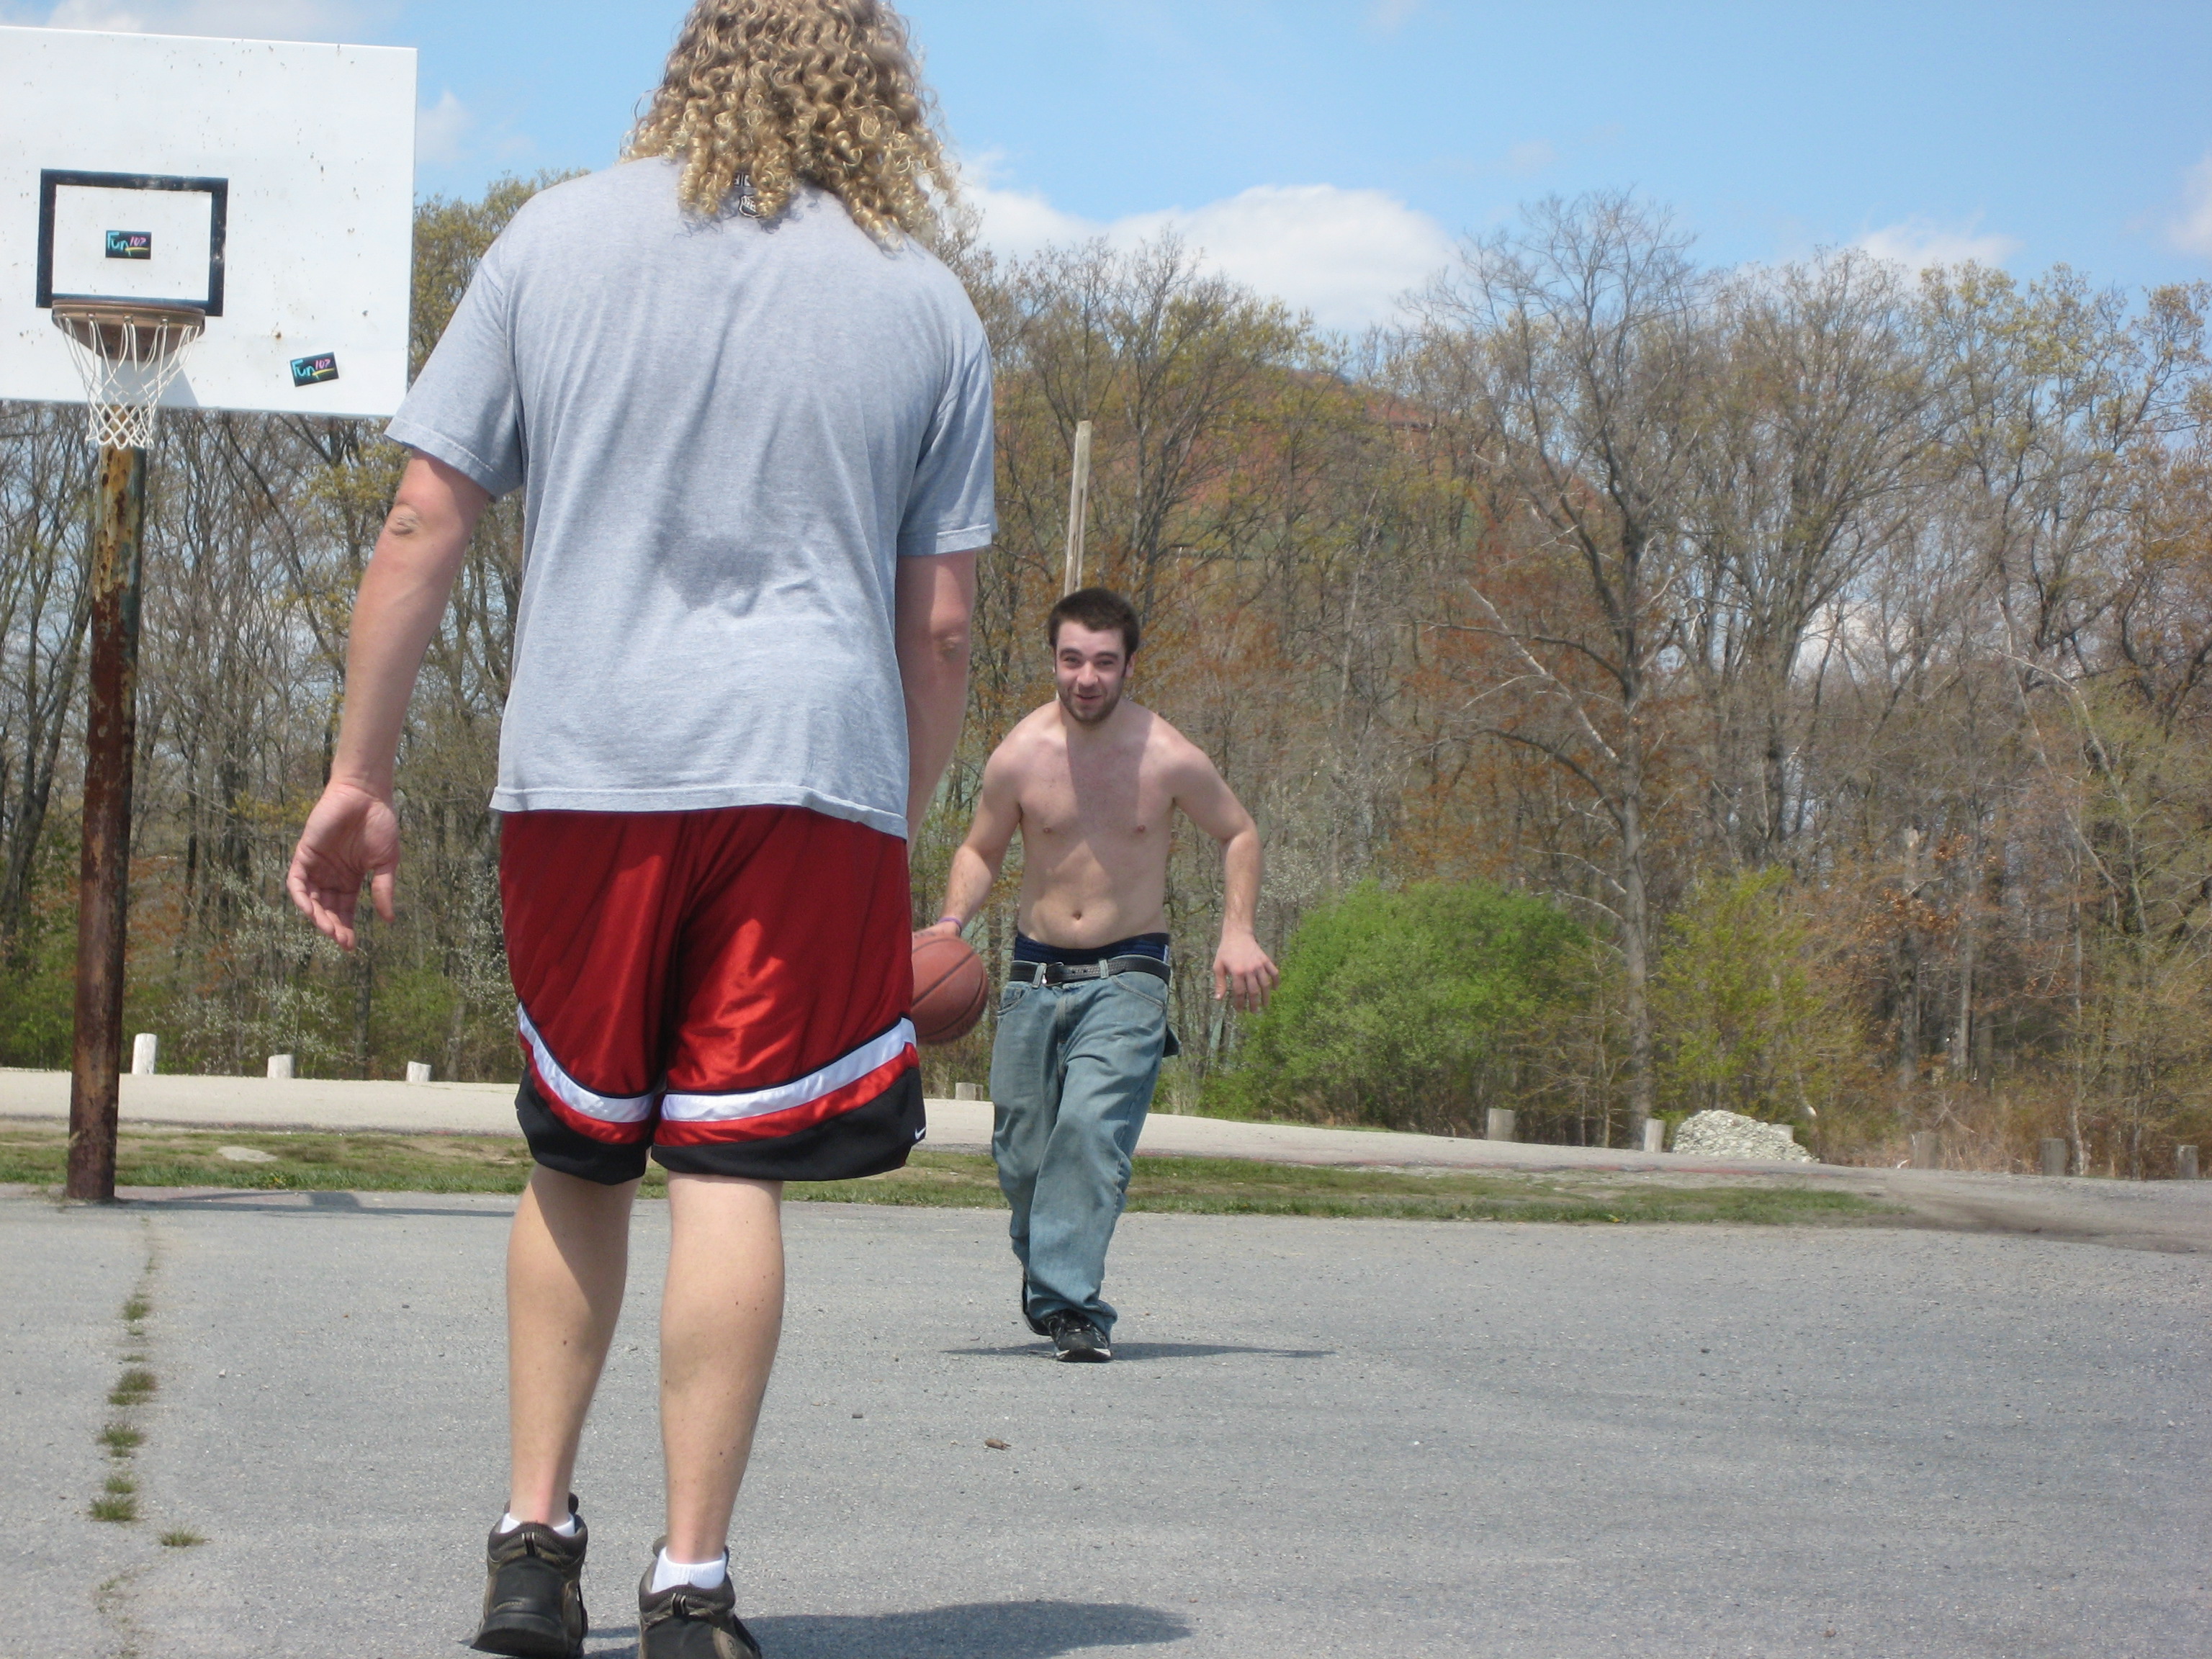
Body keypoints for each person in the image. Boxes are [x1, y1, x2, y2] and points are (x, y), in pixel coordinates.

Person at [284, 4, 991, 1654]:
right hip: (803, 771)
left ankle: (533, 1544)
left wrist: (359, 772)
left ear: (692, 60)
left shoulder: (549, 239)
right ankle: (691, 1583)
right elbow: (942, 627)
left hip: (590, 764)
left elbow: (421, 517)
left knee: (577, 1145)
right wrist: (880, 818)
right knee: (731, 1165)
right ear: (877, 87)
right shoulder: (925, 299)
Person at [917, 587, 1277, 1363]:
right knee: (1022, 1156)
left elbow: (1238, 830)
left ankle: (1074, 1307)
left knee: (1087, 1136)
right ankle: (1053, 1271)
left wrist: (1237, 930)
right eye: (1072, 659)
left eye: (1104, 663)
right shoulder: (1020, 754)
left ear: (1129, 666)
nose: (1086, 678)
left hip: (1129, 976)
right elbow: (979, 850)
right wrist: (950, 925)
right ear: (1054, 659)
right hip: (1033, 976)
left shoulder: (1169, 756)